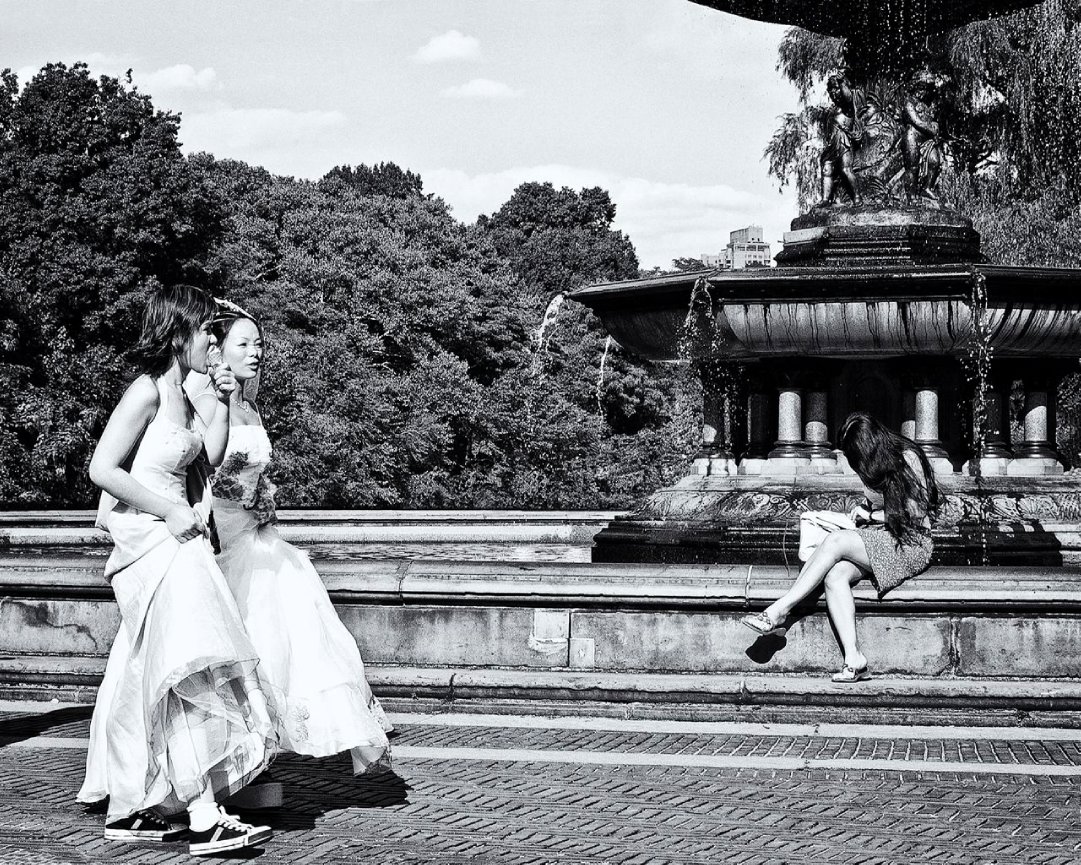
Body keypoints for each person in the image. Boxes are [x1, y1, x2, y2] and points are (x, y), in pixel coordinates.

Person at [77, 285, 276, 856]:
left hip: (179, 541)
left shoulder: (184, 394)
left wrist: (224, 401)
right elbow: (102, 469)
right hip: (151, 544)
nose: (214, 342)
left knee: (154, 674)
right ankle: (203, 814)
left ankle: (132, 807)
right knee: (186, 668)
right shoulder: (145, 391)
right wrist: (167, 510)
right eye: (207, 332)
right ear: (177, 332)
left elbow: (206, 458)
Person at [188, 301, 392, 778]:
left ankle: (262, 751)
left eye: (259, 343)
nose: (255, 352)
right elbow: (199, 468)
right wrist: (237, 496)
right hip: (222, 540)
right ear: (218, 350)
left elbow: (252, 470)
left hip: (260, 537)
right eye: (244, 343)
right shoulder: (202, 400)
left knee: (295, 632)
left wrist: (264, 497)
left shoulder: (251, 406)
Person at [741, 412, 939, 682]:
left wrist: (871, 516)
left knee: (835, 541)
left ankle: (779, 611)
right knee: (835, 576)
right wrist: (863, 511)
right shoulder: (873, 463)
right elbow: (880, 504)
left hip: (910, 543)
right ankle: (854, 660)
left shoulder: (908, 457)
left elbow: (916, 514)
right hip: (881, 537)